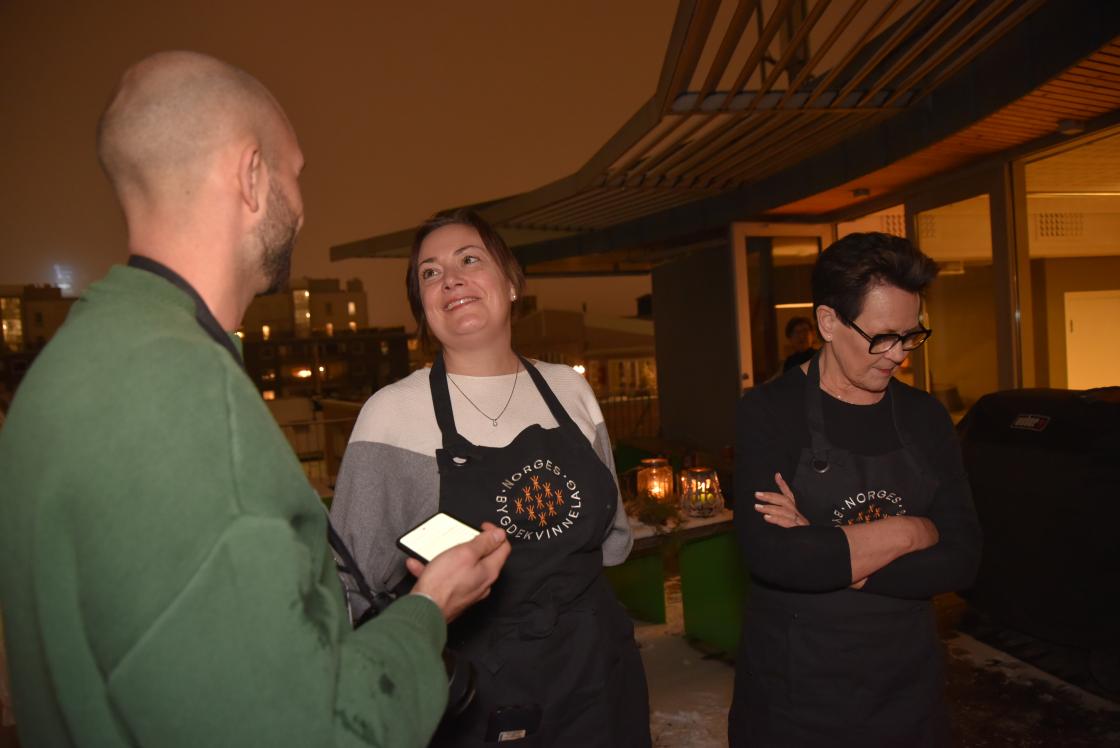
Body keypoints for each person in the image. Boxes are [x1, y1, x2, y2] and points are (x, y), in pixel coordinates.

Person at [0, 51, 510, 748]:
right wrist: (428, 610)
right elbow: (298, 731)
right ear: (251, 176)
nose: (302, 208)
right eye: (295, 174)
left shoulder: (75, 363)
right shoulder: (183, 398)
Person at [330, 209, 652, 746]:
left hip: (599, 672)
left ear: (511, 282)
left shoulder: (569, 390)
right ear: (424, 308)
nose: (449, 278)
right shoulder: (391, 415)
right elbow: (351, 585)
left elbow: (612, 537)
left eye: (469, 259)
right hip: (481, 694)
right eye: (429, 273)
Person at [728, 232, 982, 746]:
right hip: (796, 696)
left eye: (912, 336)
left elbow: (964, 559)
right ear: (827, 322)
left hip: (906, 691)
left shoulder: (925, 417)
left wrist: (830, 548)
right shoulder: (769, 413)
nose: (899, 356)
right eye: (883, 337)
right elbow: (776, 557)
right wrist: (912, 530)